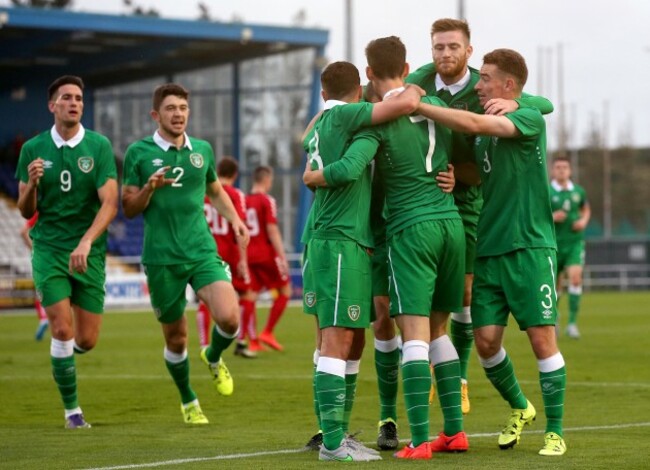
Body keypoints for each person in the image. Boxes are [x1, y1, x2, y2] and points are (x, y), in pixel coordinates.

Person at [306, 36, 468, 459]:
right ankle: (454, 431)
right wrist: (456, 176)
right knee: (437, 331)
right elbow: (467, 151)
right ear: (409, 65)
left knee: (401, 333)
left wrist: (315, 176)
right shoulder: (436, 107)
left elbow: (337, 156)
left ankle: (414, 440)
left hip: (402, 229)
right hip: (449, 223)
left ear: (370, 76)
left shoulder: (372, 122)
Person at [417, 48, 568, 456]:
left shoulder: (527, 117)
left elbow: (478, 117)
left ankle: (555, 432)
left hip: (530, 246)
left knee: (541, 340)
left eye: (485, 78)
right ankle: (521, 407)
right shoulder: (488, 126)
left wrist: (423, 107)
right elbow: (476, 159)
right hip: (489, 248)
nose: (478, 84)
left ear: (508, 84)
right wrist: (453, 173)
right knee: (484, 342)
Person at [301, 60, 424, 462]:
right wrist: (417, 90)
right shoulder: (352, 118)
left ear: (322, 94)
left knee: (346, 340)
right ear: (359, 91)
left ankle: (337, 435)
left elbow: (307, 140)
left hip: (333, 239)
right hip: (339, 241)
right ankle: (333, 444)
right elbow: (400, 107)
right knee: (338, 339)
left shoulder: (321, 123)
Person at [122, 83, 249, 424]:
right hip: (161, 257)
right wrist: (149, 187)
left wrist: (235, 219)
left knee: (230, 317)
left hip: (201, 250)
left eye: (182, 108)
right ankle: (188, 400)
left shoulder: (202, 151)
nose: (178, 114)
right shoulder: (139, 153)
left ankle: (213, 354)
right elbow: (129, 207)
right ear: (156, 114)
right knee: (176, 339)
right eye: (170, 108)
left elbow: (216, 191)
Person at [15, 75, 118, 429]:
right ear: (52, 105)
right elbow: (26, 211)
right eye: (66, 98)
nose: (74, 103)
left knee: (86, 340)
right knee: (61, 329)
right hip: (49, 249)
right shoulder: (33, 148)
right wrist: (30, 184)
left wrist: (87, 240)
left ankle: (62, 360)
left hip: (88, 251)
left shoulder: (99, 145)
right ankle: (72, 412)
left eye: (78, 98)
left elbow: (110, 203)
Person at [202, 157, 259, 358]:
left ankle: (203, 343)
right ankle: (241, 342)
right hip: (231, 253)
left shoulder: (205, 193)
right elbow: (239, 227)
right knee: (247, 295)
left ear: (217, 171)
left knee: (205, 298)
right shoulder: (235, 195)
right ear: (235, 174)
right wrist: (243, 259)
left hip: (207, 252)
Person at [245, 165, 291, 351]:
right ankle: (267, 331)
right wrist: (282, 256)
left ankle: (253, 341)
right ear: (266, 180)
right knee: (285, 291)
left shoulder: (245, 200)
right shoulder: (267, 200)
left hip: (249, 254)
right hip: (267, 254)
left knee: (250, 296)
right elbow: (272, 230)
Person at [550, 156, 590, 338]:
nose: (561, 170)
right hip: (554, 243)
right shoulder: (547, 191)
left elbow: (585, 209)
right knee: (555, 286)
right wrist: (551, 216)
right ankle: (554, 318)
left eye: (565, 167)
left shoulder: (578, 191)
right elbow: (536, 215)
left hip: (574, 242)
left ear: (570, 170)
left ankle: (572, 323)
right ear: (553, 170)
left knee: (575, 279)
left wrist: (583, 221)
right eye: (558, 167)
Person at [20, 212, 50, 341]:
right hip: (58, 253)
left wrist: (34, 248)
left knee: (41, 290)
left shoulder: (40, 212)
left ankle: (44, 319)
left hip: (41, 256)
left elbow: (23, 232)